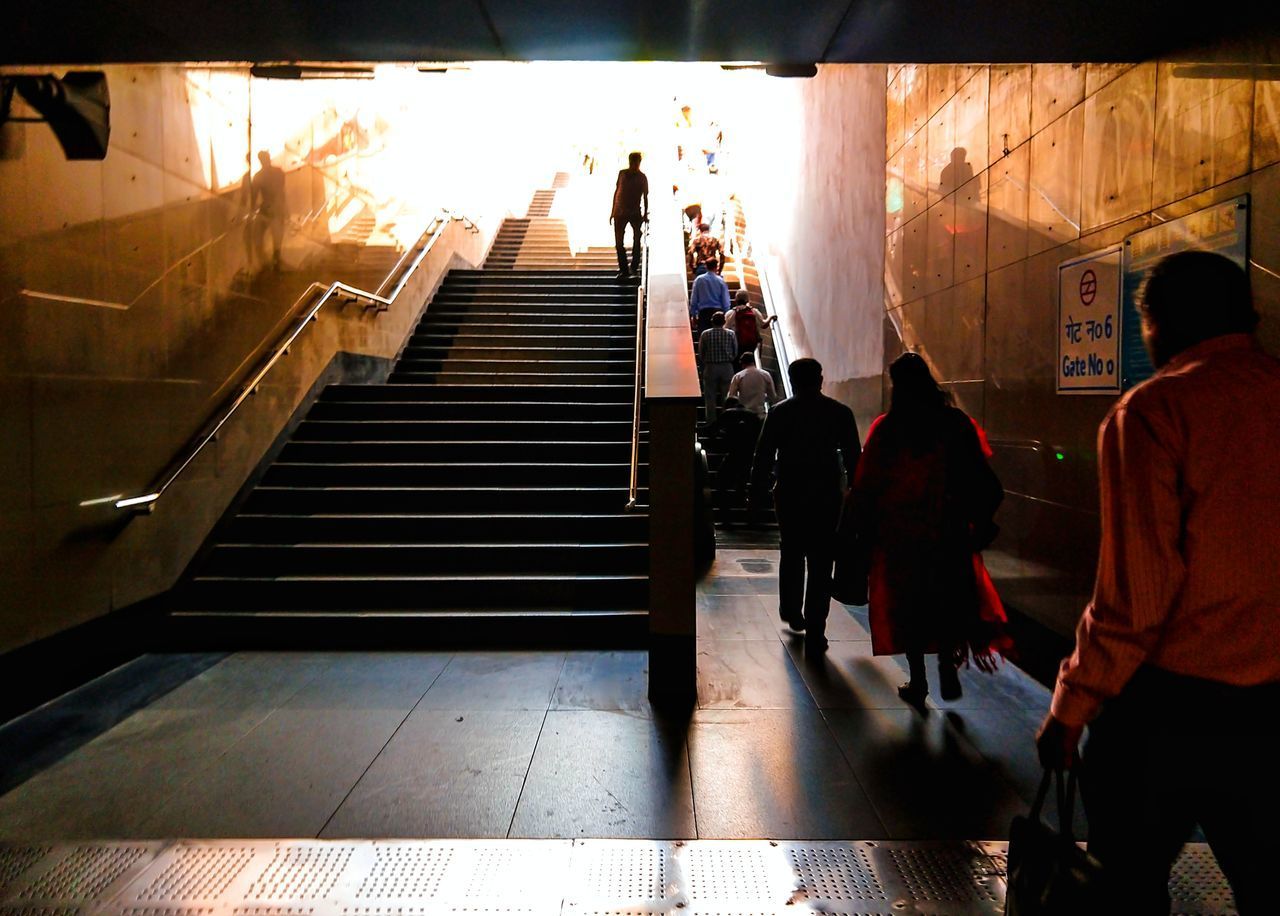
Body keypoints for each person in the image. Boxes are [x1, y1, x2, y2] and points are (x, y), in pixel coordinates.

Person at [1035, 251, 1280, 914]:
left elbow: (1133, 599)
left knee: (1128, 889)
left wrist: (1071, 708)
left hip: (1169, 712)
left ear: (1155, 326)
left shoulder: (1153, 411)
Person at [843, 352, 1007, 705]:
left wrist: (856, 528)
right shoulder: (956, 423)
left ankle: (918, 682)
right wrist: (978, 521)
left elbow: (867, 484)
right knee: (947, 599)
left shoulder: (888, 428)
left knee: (909, 607)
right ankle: (948, 665)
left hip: (901, 536)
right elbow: (985, 481)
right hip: (948, 532)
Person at [750, 358, 860, 655]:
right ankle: (816, 627)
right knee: (822, 559)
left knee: (792, 551)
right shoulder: (839, 413)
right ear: (820, 379)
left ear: (792, 380)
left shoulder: (780, 412)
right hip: (826, 494)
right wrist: (857, 496)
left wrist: (757, 491)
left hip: (790, 491)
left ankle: (791, 609)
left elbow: (763, 455)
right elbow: (854, 458)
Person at [705, 396, 762, 524]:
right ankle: (749, 515)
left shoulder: (728, 413)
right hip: (749, 455)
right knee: (744, 483)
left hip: (733, 454)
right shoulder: (753, 416)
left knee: (721, 482)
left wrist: (715, 444)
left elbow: (712, 430)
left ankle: (726, 515)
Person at [610, 152, 648, 279]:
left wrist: (645, 214)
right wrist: (612, 211)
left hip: (634, 212)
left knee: (637, 240)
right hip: (620, 212)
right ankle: (624, 269)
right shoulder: (622, 174)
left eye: (637, 162)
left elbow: (645, 197)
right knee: (619, 243)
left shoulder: (642, 177)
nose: (635, 164)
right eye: (634, 162)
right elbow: (617, 192)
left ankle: (633, 267)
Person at [697, 311, 738, 421]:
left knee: (710, 397)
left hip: (711, 367)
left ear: (712, 322)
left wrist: (706, 361)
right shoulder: (731, 334)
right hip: (726, 367)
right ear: (724, 321)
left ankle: (711, 422)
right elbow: (735, 352)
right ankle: (726, 421)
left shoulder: (705, 334)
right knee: (727, 396)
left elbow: (701, 352)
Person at [251, 150, 287, 271]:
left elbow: (254, 196)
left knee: (258, 236)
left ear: (260, 160)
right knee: (277, 236)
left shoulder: (258, 176)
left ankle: (264, 263)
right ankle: (276, 260)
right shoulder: (279, 172)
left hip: (266, 208)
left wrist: (251, 210)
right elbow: (281, 192)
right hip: (278, 207)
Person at [724, 289, 775, 353]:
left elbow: (725, 329)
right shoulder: (754, 311)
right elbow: (763, 325)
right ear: (747, 300)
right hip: (751, 343)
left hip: (737, 343)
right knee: (750, 359)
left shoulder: (730, 313)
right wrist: (770, 317)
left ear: (735, 299)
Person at [727, 352, 777, 417]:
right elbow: (773, 396)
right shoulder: (765, 375)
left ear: (742, 364)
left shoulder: (738, 376)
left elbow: (731, 396)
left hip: (744, 415)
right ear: (754, 362)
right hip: (760, 414)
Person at [689, 261, 731, 334]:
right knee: (718, 338)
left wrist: (693, 315)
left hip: (703, 313)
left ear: (706, 266)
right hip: (718, 313)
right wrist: (726, 314)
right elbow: (725, 301)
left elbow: (694, 299)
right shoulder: (721, 281)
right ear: (716, 267)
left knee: (704, 338)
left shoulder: (699, 280)